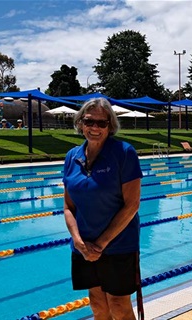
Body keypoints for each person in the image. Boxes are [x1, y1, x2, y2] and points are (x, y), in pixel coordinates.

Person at [62, 98, 143, 320]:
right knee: (98, 304)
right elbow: (68, 207)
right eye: (89, 121)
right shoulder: (72, 157)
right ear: (80, 123)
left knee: (119, 306)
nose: (95, 128)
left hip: (118, 245)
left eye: (102, 123)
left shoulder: (124, 153)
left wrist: (100, 244)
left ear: (110, 126)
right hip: (84, 246)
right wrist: (78, 241)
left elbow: (132, 205)